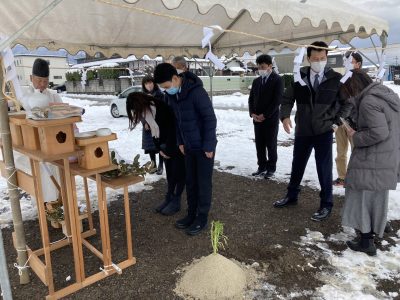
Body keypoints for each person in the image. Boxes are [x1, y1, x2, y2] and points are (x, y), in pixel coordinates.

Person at [274, 41, 352, 221]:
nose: (319, 61)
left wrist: (335, 123)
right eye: (315, 58)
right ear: (308, 58)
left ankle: (326, 204)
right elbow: (287, 99)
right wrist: (284, 116)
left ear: (326, 57)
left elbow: (347, 103)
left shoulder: (336, 79)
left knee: (323, 168)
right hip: (303, 130)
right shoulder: (299, 76)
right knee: (297, 164)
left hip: (324, 130)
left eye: (322, 58)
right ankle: (291, 196)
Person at [340, 69, 400, 256]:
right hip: (386, 156)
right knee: (375, 198)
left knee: (362, 197)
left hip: (372, 158)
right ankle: (373, 233)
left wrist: (355, 135)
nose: (348, 96)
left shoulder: (368, 101)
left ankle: (366, 241)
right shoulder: (385, 95)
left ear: (353, 87)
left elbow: (379, 132)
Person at [154, 63, 217, 236]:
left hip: (204, 147)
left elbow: (210, 119)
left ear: (175, 79)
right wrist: (181, 142)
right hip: (188, 146)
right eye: (163, 88)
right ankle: (191, 214)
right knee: (191, 182)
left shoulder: (196, 92)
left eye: (167, 87)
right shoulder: (175, 96)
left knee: (203, 184)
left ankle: (201, 217)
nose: (166, 91)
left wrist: (209, 145)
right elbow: (178, 122)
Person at [126, 92, 186, 216]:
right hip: (164, 146)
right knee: (170, 174)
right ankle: (169, 198)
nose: (136, 113)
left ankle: (176, 201)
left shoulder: (160, 108)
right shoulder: (147, 112)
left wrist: (168, 150)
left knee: (178, 173)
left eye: (136, 109)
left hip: (176, 143)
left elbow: (172, 129)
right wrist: (159, 149)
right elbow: (154, 132)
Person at [248, 54, 283, 178]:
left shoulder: (277, 80)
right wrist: (252, 113)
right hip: (257, 119)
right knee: (259, 144)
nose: (260, 69)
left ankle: (271, 168)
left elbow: (277, 100)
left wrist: (265, 115)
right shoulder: (256, 81)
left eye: (262, 67)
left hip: (270, 119)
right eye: (259, 67)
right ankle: (261, 166)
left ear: (269, 66)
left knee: (271, 144)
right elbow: (251, 99)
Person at [333, 51, 363, 186]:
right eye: (345, 60)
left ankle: (356, 178)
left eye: (349, 61)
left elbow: (353, 102)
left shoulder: (362, 80)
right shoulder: (343, 79)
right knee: (340, 151)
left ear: (358, 64)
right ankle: (342, 177)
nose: (346, 63)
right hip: (340, 120)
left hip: (355, 122)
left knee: (356, 151)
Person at [141, 76, 164, 175]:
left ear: (154, 84)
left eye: (150, 83)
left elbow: (163, 110)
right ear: (144, 85)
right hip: (147, 126)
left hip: (158, 125)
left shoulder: (160, 95)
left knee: (160, 146)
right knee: (150, 146)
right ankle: (153, 165)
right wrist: (144, 122)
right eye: (146, 84)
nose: (149, 85)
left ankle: (161, 165)